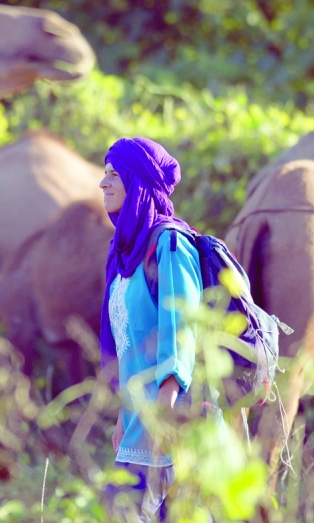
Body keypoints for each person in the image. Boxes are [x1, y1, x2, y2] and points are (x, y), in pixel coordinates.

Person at [98, 137, 202, 522]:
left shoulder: (170, 244)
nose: (103, 183)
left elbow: (182, 330)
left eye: (114, 174)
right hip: (136, 424)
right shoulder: (124, 255)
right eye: (104, 173)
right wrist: (123, 417)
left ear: (137, 181)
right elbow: (129, 348)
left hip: (170, 421)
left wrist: (164, 415)